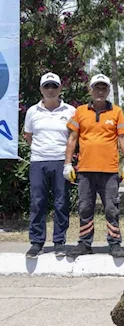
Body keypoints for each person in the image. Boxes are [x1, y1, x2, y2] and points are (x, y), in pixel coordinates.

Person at [64, 74, 124, 258]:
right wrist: (68, 163)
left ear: (108, 91)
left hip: (109, 170)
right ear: (91, 90)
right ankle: (85, 243)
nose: (100, 91)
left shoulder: (116, 112)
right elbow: (72, 138)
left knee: (111, 208)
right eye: (97, 88)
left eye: (103, 88)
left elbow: (123, 138)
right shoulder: (80, 111)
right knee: (85, 207)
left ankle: (115, 243)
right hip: (85, 170)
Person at [23, 73, 76, 259]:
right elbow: (28, 136)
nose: (50, 90)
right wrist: (42, 151)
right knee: (38, 202)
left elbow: (73, 137)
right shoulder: (32, 111)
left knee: (61, 203)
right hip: (38, 161)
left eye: (54, 86)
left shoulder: (70, 111)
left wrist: (67, 160)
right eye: (47, 86)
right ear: (41, 90)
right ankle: (37, 242)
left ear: (60, 88)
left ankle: (59, 241)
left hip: (62, 162)